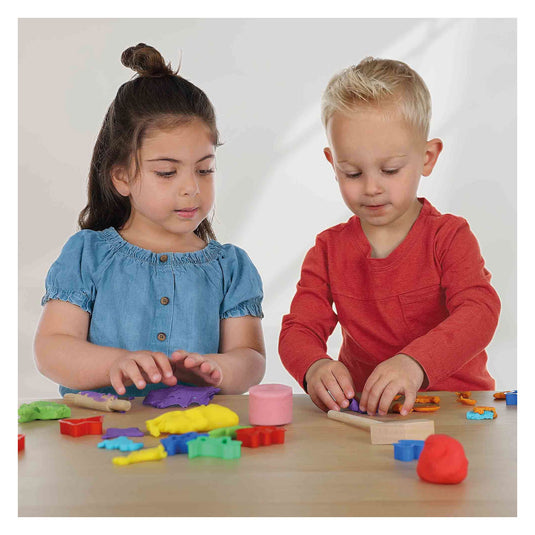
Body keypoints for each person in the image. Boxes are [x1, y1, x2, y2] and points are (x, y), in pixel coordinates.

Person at [34, 43, 265, 397]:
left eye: (204, 170)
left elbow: (250, 358)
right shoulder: (87, 255)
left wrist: (219, 369)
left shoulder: (230, 267)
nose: (192, 188)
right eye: (167, 172)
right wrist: (114, 364)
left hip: (197, 430)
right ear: (122, 177)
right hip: (101, 431)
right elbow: (51, 348)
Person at [279, 57, 500, 416]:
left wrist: (415, 363)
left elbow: (480, 312)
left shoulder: (449, 237)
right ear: (332, 163)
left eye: (390, 169)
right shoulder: (328, 249)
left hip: (457, 408)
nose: (371, 187)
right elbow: (298, 328)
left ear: (427, 157)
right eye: (352, 173)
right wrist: (314, 366)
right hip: (368, 414)